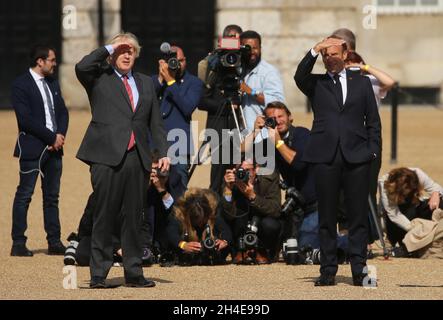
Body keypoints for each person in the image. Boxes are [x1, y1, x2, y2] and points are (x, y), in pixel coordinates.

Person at [75, 32, 170, 289]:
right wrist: (109, 46)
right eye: (122, 50)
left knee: (134, 217)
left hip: (137, 157)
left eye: (131, 50)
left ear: (137, 55)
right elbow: (81, 66)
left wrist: (162, 152)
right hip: (105, 156)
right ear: (112, 53)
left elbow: (155, 123)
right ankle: (98, 274)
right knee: (104, 214)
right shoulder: (98, 78)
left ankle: (134, 271)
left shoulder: (146, 82)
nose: (127, 54)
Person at [294, 36, 381, 286]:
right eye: (325, 55)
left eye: (334, 54)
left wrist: (372, 151)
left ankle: (359, 271)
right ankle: (328, 271)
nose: (330, 58)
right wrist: (314, 49)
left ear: (345, 55)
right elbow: (299, 76)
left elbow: (373, 122)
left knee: (357, 217)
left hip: (356, 157)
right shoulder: (316, 83)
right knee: (327, 216)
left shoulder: (362, 84)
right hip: (325, 157)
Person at [11, 45, 69, 257]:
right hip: (32, 148)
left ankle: (54, 241)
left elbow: (63, 111)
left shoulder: (53, 83)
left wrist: (60, 135)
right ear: (40, 61)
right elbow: (25, 120)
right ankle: (18, 243)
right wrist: (50, 137)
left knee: (52, 197)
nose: (55, 63)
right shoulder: (20, 85)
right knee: (25, 195)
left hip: (55, 149)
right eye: (52, 60)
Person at [152, 45, 203, 199]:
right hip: (154, 147)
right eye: (172, 61)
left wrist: (171, 82)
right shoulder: (153, 81)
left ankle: (179, 224)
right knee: (151, 192)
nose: (177, 65)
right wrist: (162, 79)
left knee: (179, 194)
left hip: (179, 146)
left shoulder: (194, 83)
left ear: (185, 61)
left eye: (180, 61)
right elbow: (143, 102)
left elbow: (187, 107)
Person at [198, 24, 243, 194]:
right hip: (219, 125)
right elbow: (201, 100)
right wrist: (224, 106)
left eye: (236, 39)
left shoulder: (243, 62)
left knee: (238, 172)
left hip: (239, 125)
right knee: (217, 176)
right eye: (230, 38)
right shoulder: (211, 64)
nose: (233, 42)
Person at [220, 159, 281, 264]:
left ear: (256, 169)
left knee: (270, 224)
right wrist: (228, 189)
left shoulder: (268, 179)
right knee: (234, 214)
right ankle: (240, 250)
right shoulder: (231, 181)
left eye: (248, 170)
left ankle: (264, 252)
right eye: (241, 171)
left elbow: (275, 210)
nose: (244, 174)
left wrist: (253, 197)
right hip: (241, 224)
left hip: (262, 221)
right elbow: (227, 214)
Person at [379, 167, 443, 256]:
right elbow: (394, 214)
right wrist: (417, 230)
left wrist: (436, 194)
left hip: (416, 209)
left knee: (441, 202)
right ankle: (404, 245)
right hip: (399, 219)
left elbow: (435, 187)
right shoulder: (384, 183)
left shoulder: (418, 174)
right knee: (396, 215)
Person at [166, 188, 232, 266]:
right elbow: (171, 232)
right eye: (197, 222)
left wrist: (224, 241)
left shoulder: (212, 212)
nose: (200, 225)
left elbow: (226, 230)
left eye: (202, 221)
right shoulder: (179, 213)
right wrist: (183, 244)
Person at [239, 30, 285, 134]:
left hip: (263, 135)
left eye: (255, 48)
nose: (251, 52)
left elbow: (278, 103)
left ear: (260, 48)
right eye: (247, 48)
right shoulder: (239, 71)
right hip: (242, 135)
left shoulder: (269, 72)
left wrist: (250, 91)